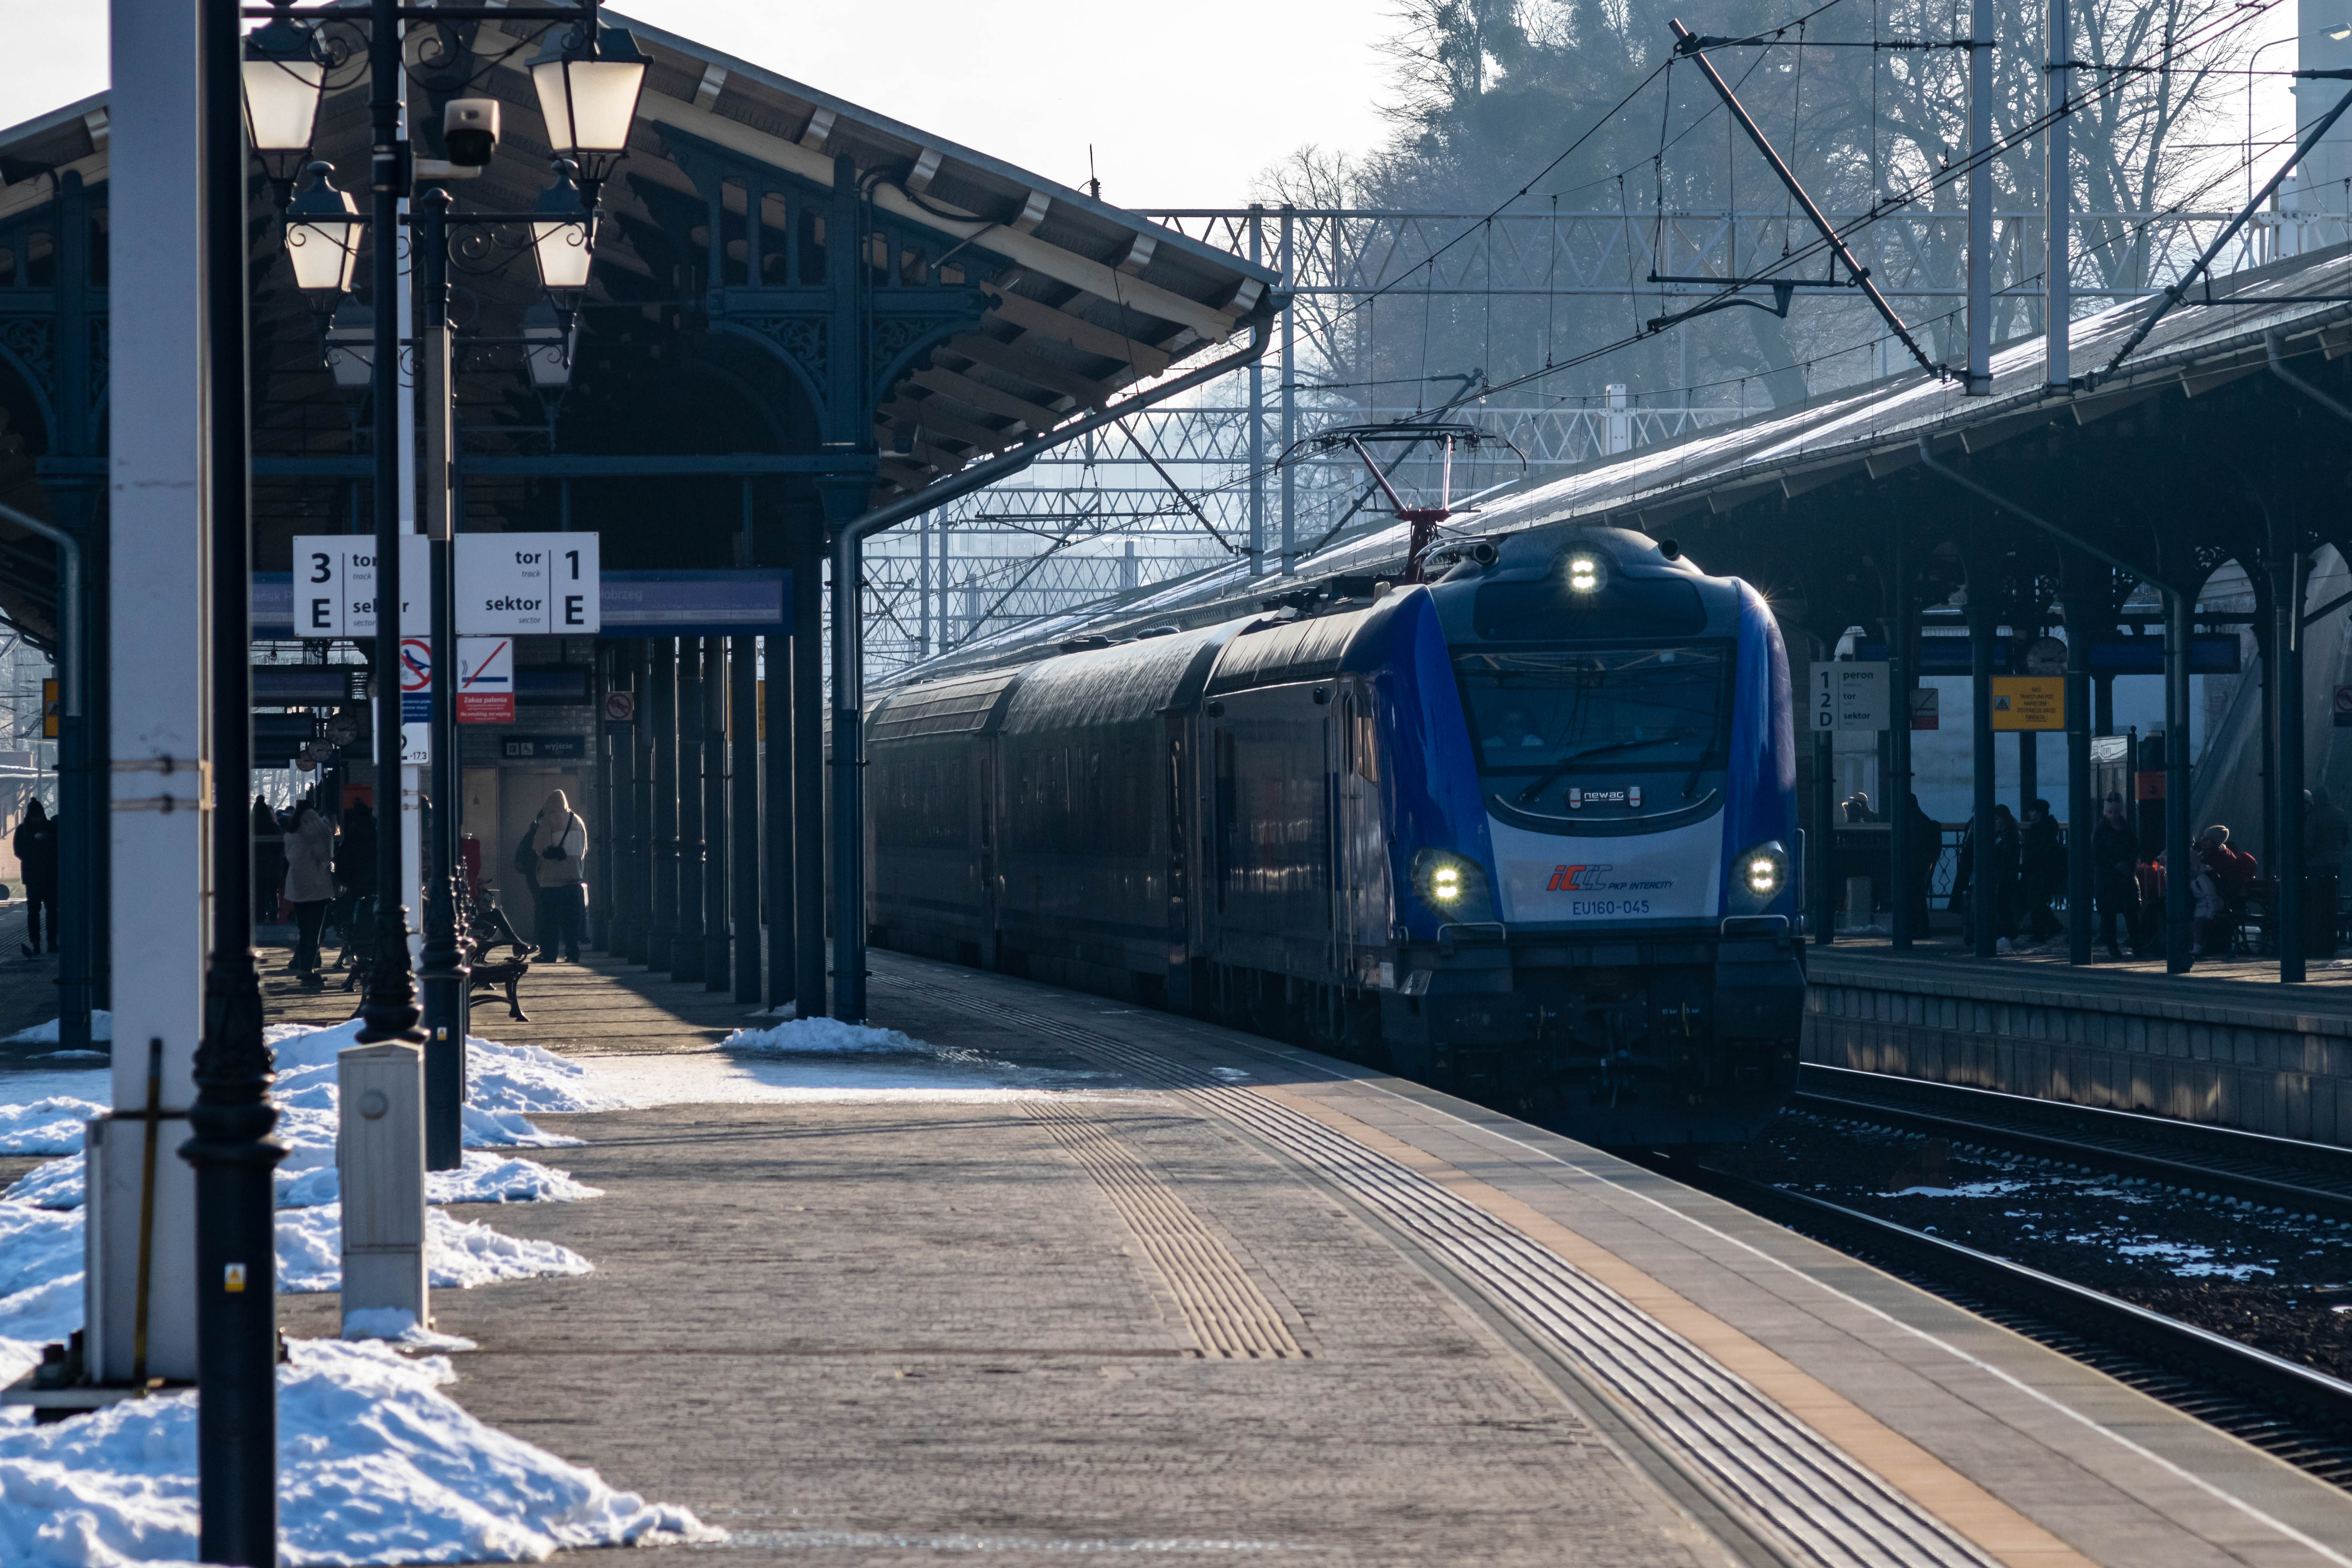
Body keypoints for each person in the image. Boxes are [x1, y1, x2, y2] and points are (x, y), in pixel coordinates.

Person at [280, 792, 336, 987]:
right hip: (317, 888)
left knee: (305, 931)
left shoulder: (292, 831)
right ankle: (308, 969)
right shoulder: (317, 828)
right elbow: (325, 857)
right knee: (315, 931)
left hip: (297, 888)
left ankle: (304, 965)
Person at [531, 787, 589, 963]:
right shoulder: (579, 821)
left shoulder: (549, 820)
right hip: (574, 880)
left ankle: (549, 955)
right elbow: (584, 850)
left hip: (552, 883)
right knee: (572, 923)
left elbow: (539, 846)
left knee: (550, 922)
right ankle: (573, 954)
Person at [2091, 793, 2140, 961]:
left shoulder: (2119, 830)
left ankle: (2135, 947)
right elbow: (2097, 854)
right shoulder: (2104, 831)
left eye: (2115, 812)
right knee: (2111, 916)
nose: (2113, 815)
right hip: (2110, 879)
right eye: (2110, 812)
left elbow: (2134, 849)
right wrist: (2119, 864)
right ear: (2105, 812)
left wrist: (2126, 864)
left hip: (2120, 878)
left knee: (2130, 915)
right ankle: (2115, 948)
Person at [2306, 789, 2348, 958]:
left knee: (2317, 904)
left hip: (2317, 865)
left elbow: (2309, 843)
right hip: (2336, 863)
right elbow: (2346, 838)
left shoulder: (2315, 817)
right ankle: (2340, 934)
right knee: (2334, 900)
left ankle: (2317, 941)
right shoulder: (2341, 814)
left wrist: (2304, 860)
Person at [334, 799, 376, 969]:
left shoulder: (351, 837)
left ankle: (354, 952)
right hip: (374, 886)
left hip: (356, 888)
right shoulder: (376, 835)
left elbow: (342, 867)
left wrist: (349, 882)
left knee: (350, 919)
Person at [13, 799, 57, 958]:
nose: (38, 819)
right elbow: (19, 852)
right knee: (38, 911)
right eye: (35, 816)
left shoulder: (47, 828)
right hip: (36, 877)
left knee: (48, 911)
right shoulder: (23, 830)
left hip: (45, 876)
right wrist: (36, 842)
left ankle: (50, 942)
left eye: (39, 816)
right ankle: (38, 943)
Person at [2020, 798, 2065, 944]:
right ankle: (2050, 927)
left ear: (2038, 813)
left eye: (2032, 811)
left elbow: (2035, 853)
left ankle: (2045, 930)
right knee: (2038, 901)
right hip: (2048, 870)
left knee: (2036, 902)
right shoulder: (2049, 827)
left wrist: (2025, 867)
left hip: (2039, 871)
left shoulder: (2038, 830)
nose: (2029, 814)